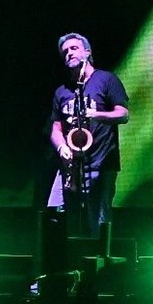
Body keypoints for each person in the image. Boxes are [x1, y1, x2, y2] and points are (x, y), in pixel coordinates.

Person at [47, 32, 128, 240]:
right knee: (55, 215)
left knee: (99, 221)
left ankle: (100, 267)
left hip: (101, 164)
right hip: (70, 166)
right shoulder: (62, 92)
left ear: (87, 52)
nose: (68, 53)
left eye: (73, 48)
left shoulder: (106, 80)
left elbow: (123, 114)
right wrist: (62, 147)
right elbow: (56, 128)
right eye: (65, 51)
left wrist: (95, 114)